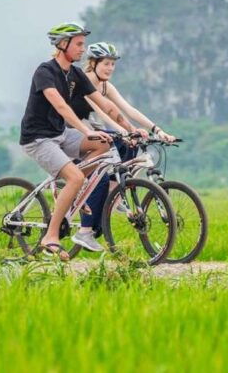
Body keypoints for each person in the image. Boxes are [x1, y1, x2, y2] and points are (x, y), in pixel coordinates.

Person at [19, 23, 145, 261]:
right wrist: (87, 131)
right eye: (78, 44)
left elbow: (105, 104)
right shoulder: (45, 71)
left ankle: (76, 192)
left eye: (83, 44)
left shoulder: (74, 73)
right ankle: (50, 237)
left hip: (61, 134)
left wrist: (130, 129)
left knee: (105, 145)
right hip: (38, 138)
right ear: (62, 45)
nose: (82, 49)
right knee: (76, 177)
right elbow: (61, 107)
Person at [69, 41, 176, 250]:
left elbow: (128, 109)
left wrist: (158, 130)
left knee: (131, 147)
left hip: (91, 129)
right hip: (73, 132)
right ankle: (86, 229)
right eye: (106, 63)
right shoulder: (85, 82)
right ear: (93, 63)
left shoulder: (106, 85)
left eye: (113, 64)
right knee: (103, 171)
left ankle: (115, 192)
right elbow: (105, 112)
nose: (110, 68)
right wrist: (124, 131)